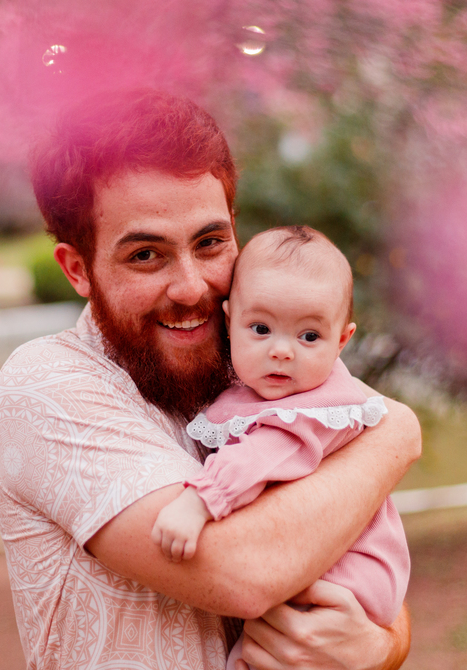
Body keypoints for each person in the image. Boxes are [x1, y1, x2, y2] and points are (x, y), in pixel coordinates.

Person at [0, 89, 421, 670]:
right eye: (146, 255)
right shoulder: (45, 386)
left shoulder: (258, 360)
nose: (192, 287)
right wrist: (395, 436)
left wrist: (383, 645)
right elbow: (244, 573)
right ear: (78, 269)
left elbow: (356, 540)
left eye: (210, 243)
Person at [152, 225, 410, 670]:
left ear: (342, 340)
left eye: (309, 336)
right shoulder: (255, 391)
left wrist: (202, 500)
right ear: (229, 322)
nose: (282, 351)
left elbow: (267, 454)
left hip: (348, 573)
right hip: (319, 563)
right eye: (261, 328)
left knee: (271, 648)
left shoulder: (317, 408)